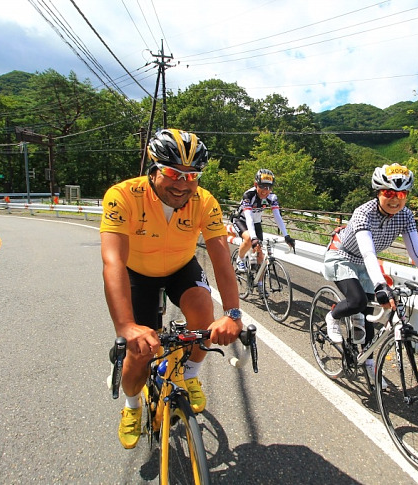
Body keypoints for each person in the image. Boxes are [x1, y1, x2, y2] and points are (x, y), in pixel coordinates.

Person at [100, 129, 243, 450]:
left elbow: (221, 259)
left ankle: (189, 374)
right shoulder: (123, 195)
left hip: (180, 268)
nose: (183, 183)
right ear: (154, 169)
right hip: (137, 273)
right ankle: (132, 406)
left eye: (192, 175)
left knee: (204, 318)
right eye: (172, 173)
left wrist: (233, 314)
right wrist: (126, 327)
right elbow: (112, 262)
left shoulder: (205, 201)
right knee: (140, 353)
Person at [322, 163, 418, 380]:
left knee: (369, 314)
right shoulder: (363, 213)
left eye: (402, 194)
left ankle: (368, 361)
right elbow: (368, 253)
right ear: (378, 192)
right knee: (358, 301)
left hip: (366, 262)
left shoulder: (405, 216)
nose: (395, 199)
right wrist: (380, 286)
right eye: (389, 193)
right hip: (343, 256)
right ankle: (332, 316)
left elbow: (416, 251)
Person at [230, 169, 295, 283]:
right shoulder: (249, 195)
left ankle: (260, 284)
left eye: (269, 187)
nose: (266, 190)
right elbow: (249, 217)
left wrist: (286, 235)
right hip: (241, 220)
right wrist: (254, 238)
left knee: (260, 256)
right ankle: (239, 259)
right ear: (256, 185)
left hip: (256, 223)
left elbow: (277, 216)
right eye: (263, 186)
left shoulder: (272, 197)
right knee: (249, 238)